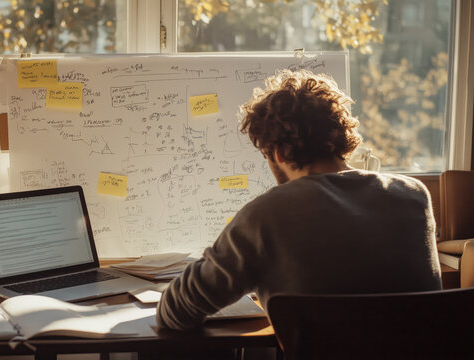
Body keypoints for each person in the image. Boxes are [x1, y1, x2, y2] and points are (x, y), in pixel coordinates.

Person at [156, 69, 442, 331]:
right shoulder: (413, 194)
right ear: (341, 136)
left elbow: (176, 310)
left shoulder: (268, 214)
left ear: (278, 153)